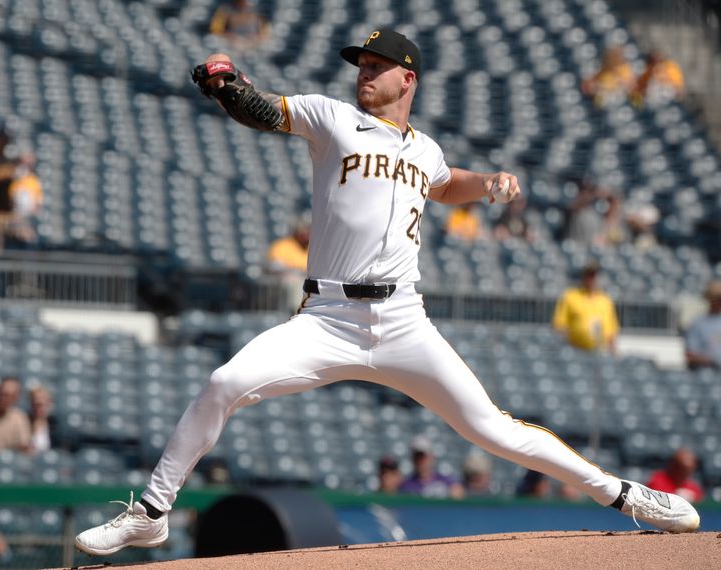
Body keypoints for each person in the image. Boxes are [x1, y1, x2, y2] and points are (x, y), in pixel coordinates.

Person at [75, 28, 699, 556]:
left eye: (377, 67)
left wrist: (488, 183)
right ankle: (152, 512)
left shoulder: (423, 149)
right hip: (326, 317)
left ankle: (625, 494)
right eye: (361, 66)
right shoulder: (332, 117)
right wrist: (226, 86)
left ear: (409, 79)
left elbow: (445, 181)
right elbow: (261, 110)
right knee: (222, 384)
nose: (363, 75)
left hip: (404, 321)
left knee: (494, 429)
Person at [552, 261, 620, 352]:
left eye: (593, 275)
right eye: (588, 275)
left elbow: (612, 331)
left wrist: (613, 351)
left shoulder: (606, 300)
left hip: (600, 351)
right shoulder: (570, 296)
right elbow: (559, 325)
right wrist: (574, 341)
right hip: (576, 350)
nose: (591, 279)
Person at [267, 213, 310, 310]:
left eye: (307, 230)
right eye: (302, 231)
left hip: (308, 283)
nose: (306, 234)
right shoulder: (282, 245)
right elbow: (276, 267)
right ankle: (297, 313)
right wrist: (295, 272)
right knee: (295, 282)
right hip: (285, 284)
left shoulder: (313, 247)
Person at [399, 436, 464, 499]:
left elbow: (458, 491)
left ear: (431, 457)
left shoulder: (445, 482)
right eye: (417, 457)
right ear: (412, 459)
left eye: (423, 456)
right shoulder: (406, 486)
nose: (420, 460)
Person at [684, 280, 721, 369]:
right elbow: (690, 355)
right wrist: (713, 360)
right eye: (718, 299)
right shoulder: (698, 323)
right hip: (707, 372)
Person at [27, 386, 58, 454]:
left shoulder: (56, 425)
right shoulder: (24, 423)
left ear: (49, 403)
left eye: (42, 403)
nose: (39, 404)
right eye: (36, 404)